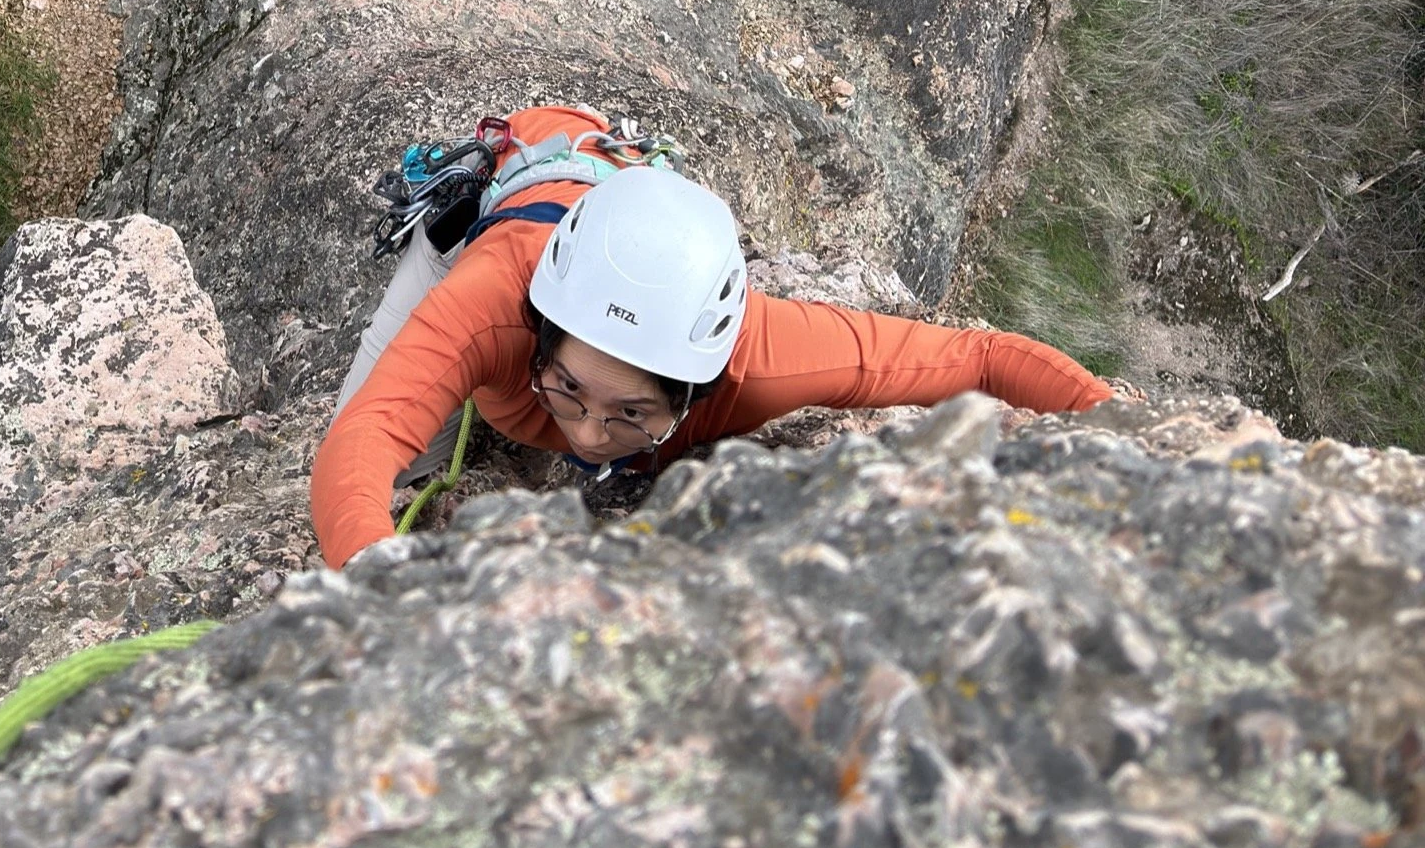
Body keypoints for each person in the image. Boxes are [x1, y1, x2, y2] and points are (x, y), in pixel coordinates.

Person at [312, 105, 1110, 568]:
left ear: (695, 385)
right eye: (567, 388)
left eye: (633, 413)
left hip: (618, 204)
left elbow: (979, 358)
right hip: (519, 189)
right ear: (539, 333)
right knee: (410, 465)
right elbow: (362, 445)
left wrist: (1118, 430)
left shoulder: (755, 361)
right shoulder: (490, 307)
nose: (589, 433)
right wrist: (387, 597)